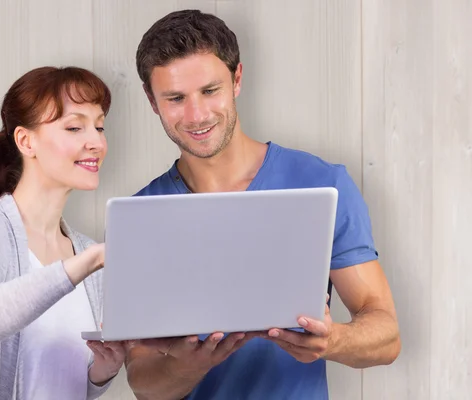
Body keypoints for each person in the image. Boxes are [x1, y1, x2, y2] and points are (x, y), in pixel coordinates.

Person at [125, 9, 401, 400]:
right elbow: (143, 383)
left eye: (210, 90)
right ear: (152, 101)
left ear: (237, 79)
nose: (196, 115)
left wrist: (333, 340)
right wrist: (187, 366)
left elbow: (386, 334)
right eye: (175, 98)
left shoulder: (322, 184)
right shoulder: (141, 216)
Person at [0, 66, 125, 400]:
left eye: (99, 126)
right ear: (26, 141)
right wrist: (85, 263)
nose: (97, 142)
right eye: (75, 127)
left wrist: (102, 372)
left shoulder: (85, 251)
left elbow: (61, 380)